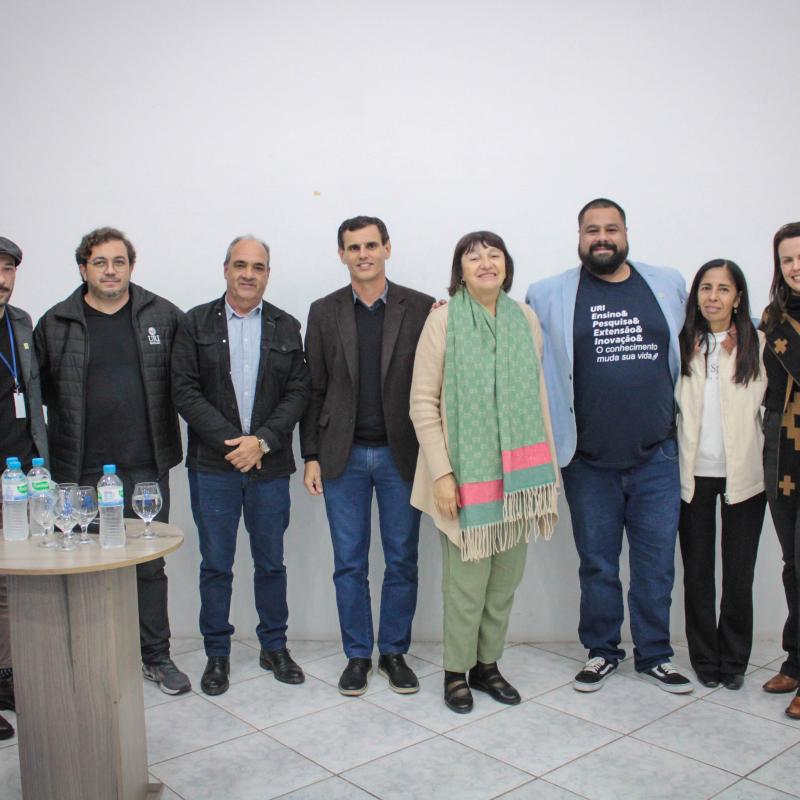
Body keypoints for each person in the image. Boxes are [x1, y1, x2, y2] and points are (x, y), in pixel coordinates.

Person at [527, 198, 693, 693]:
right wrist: (450, 306)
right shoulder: (548, 293)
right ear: (579, 237)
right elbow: (510, 331)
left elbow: (710, 326)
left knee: (655, 565)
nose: (602, 237)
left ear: (625, 233)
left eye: (611, 229)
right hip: (587, 460)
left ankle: (655, 654)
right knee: (597, 564)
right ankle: (602, 651)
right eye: (592, 230)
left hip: (657, 455)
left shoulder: (667, 283)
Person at [33, 227, 190, 695]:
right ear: (83, 268)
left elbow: (190, 377)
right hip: (79, 469)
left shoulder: (162, 315)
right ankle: (89, 659)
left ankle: (156, 657)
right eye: (99, 262)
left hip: (145, 466)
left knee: (148, 568)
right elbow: (37, 390)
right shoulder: (56, 322)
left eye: (119, 262)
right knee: (84, 566)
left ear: (131, 267)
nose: (110, 271)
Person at [410, 231, 558, 713]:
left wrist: (545, 475)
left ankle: (487, 665)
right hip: (464, 478)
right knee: (465, 587)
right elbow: (422, 403)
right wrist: (442, 475)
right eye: (473, 257)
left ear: (506, 266)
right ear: (461, 270)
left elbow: (536, 395)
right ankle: (456, 672)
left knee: (504, 583)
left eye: (494, 255)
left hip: (519, 480)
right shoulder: (443, 320)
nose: (486, 263)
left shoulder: (525, 318)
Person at [300, 216, 434, 696]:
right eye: (353, 247)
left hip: (404, 456)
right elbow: (313, 388)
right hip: (344, 456)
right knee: (349, 563)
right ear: (342, 254)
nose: (363, 254)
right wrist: (311, 454)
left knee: (401, 560)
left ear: (387, 249)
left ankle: (394, 652)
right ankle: (358, 655)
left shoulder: (421, 307)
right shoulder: (323, 311)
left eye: (371, 245)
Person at [172, 235, 310, 696]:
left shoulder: (286, 326)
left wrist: (262, 442)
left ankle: (275, 647)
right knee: (216, 564)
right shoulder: (194, 323)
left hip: (269, 468)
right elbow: (185, 390)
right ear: (226, 269)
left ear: (268, 274)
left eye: (258, 267)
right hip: (214, 467)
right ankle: (218, 654)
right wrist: (234, 444)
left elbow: (298, 392)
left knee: (271, 563)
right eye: (240, 265)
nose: (249, 274)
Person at [676, 259, 766, 691]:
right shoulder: (681, 343)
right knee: (697, 572)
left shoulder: (757, 345)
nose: (713, 296)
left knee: (738, 573)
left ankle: (734, 659)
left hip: (743, 475)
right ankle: (704, 656)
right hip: (692, 475)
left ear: (738, 298)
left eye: (723, 289)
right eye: (706, 288)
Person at [0, 236, 48, 739]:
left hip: (20, 475)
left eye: (8, 269)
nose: (1, 279)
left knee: (11, 586)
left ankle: (6, 678)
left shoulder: (21, 323)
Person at [760, 221, 800, 718]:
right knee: (792, 562)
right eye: (787, 259)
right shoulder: (772, 319)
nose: (795, 267)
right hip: (782, 452)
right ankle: (795, 658)